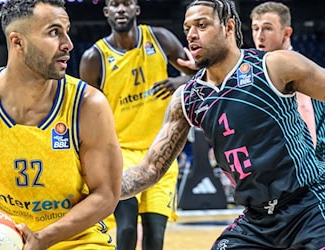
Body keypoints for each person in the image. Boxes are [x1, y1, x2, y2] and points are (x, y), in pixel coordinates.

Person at [120, 0, 325, 249]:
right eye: (187, 28)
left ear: (229, 27)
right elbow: (150, 170)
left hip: (310, 205)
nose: (192, 35)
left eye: (202, 25)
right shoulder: (188, 98)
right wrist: (98, 190)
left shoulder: (274, 66)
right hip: (257, 219)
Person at [0, 0, 123, 249]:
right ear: (17, 42)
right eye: (54, 32)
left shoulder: (88, 104)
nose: (68, 44)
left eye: (66, 31)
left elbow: (106, 193)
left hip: (75, 238)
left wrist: (43, 238)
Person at [79, 1, 196, 249]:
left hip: (162, 152)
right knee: (127, 227)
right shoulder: (94, 58)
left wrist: (180, 82)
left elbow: (197, 74)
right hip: (120, 154)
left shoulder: (160, 39)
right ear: (106, 12)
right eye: (114, 4)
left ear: (137, 9)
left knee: (155, 237)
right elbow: (85, 115)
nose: (121, 9)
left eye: (127, 3)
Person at [250, 1, 317, 147]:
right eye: (255, 28)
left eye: (267, 28)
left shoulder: (291, 64)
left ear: (286, 33)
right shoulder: (265, 66)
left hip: (302, 159)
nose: (259, 36)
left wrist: (309, 162)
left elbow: (304, 109)